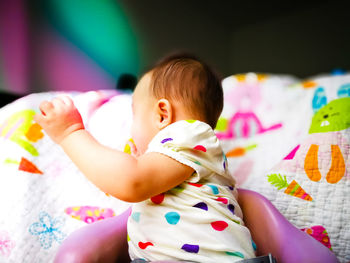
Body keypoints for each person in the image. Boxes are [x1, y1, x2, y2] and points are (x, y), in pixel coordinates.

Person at [34, 54, 256, 262]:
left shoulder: (192, 132)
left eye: (134, 116)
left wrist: (70, 132)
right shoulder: (179, 162)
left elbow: (130, 181)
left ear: (162, 114)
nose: (130, 131)